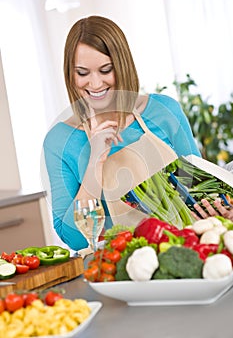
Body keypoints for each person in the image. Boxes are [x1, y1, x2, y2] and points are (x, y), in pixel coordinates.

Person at [42, 15, 229, 251]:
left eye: (105, 69)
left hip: (189, 252)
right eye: (82, 73)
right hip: (122, 267)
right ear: (70, 74)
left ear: (122, 65)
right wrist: (95, 162)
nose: (95, 83)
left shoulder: (164, 111)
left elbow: (201, 191)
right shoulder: (60, 140)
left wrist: (219, 208)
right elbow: (75, 239)